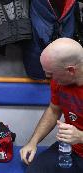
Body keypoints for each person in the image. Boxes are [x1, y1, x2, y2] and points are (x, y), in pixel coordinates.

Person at [20, 37, 83, 173]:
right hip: (70, 149)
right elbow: (54, 110)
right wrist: (33, 142)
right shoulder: (60, 80)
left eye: (51, 74)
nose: (49, 79)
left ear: (71, 70)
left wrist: (80, 136)